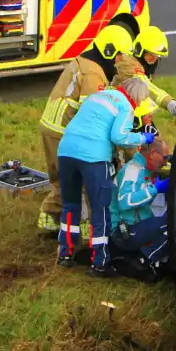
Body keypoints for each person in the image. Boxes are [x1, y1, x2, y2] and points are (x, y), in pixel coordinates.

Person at [36, 24, 135, 235]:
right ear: (108, 51)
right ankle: (84, 228)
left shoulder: (85, 61)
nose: (120, 61)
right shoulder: (94, 75)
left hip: (52, 125)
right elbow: (92, 115)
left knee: (61, 179)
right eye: (119, 56)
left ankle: (50, 219)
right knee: (78, 181)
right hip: (64, 130)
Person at [56, 77, 154, 276]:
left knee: (70, 204)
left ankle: (65, 254)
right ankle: (99, 262)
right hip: (93, 157)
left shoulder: (97, 95)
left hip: (66, 151)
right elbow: (119, 136)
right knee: (101, 207)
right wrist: (143, 137)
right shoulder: (125, 106)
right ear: (136, 97)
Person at [109, 137, 173, 281]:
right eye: (164, 157)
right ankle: (142, 261)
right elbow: (124, 202)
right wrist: (155, 189)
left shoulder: (144, 169)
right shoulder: (133, 170)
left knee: (170, 219)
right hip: (123, 231)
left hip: (135, 225)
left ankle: (143, 257)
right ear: (152, 154)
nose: (165, 162)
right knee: (173, 223)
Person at [113, 25, 176, 120]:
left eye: (157, 55)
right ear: (139, 50)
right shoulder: (128, 64)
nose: (154, 58)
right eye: (151, 53)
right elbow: (146, 87)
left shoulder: (142, 65)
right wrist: (167, 101)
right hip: (116, 111)